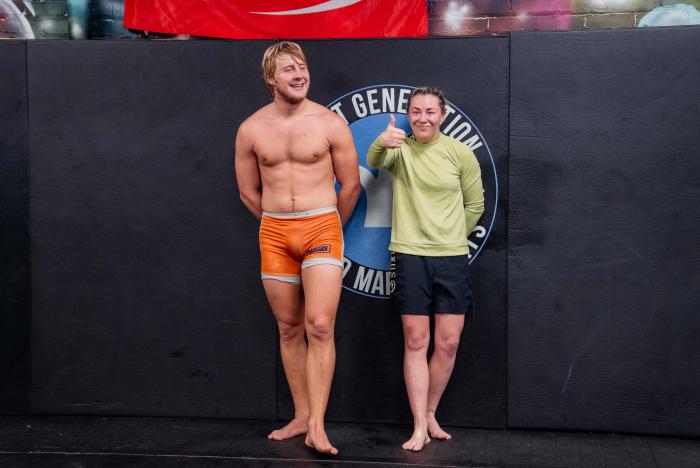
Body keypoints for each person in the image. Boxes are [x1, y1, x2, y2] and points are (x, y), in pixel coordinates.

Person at [234, 41, 360, 455]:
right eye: (288, 69)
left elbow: (351, 184)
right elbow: (249, 193)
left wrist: (329, 225)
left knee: (319, 326)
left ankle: (318, 427)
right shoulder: (251, 128)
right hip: (275, 234)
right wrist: (277, 223)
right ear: (271, 78)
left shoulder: (328, 123)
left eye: (301, 66)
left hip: (322, 226)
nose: (298, 73)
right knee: (289, 328)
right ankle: (301, 415)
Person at [366, 87, 484, 452]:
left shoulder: (459, 152)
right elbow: (374, 160)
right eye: (416, 111)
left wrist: (448, 237)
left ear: (442, 115)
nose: (422, 118)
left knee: (447, 342)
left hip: (450, 257)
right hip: (409, 255)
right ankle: (419, 426)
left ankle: (431, 412)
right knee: (416, 341)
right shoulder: (399, 151)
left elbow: (475, 204)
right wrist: (381, 141)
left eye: (430, 111)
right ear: (408, 115)